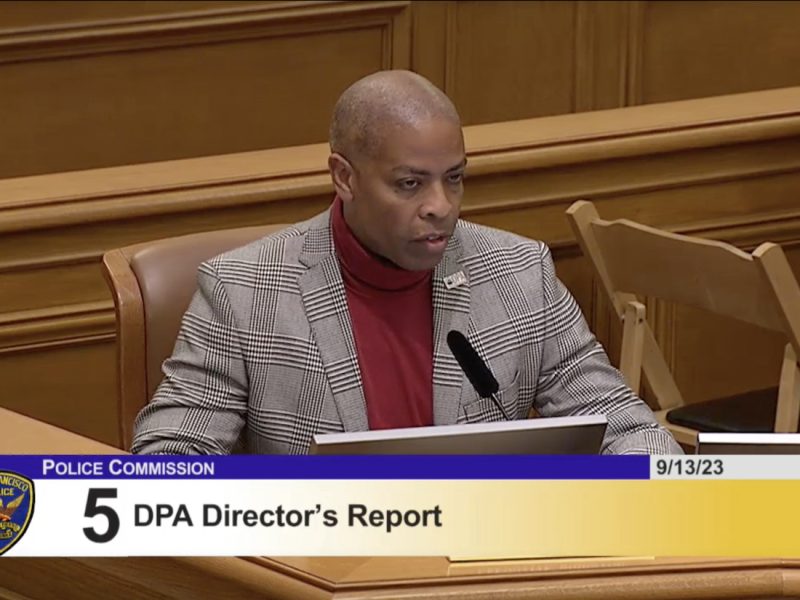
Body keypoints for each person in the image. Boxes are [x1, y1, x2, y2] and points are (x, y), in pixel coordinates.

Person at [132, 70, 682, 455]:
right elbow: (171, 453)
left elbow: (622, 424)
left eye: (455, 178)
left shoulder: (520, 273)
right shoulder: (243, 291)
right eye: (410, 184)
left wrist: (664, 485)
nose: (440, 206)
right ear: (344, 177)